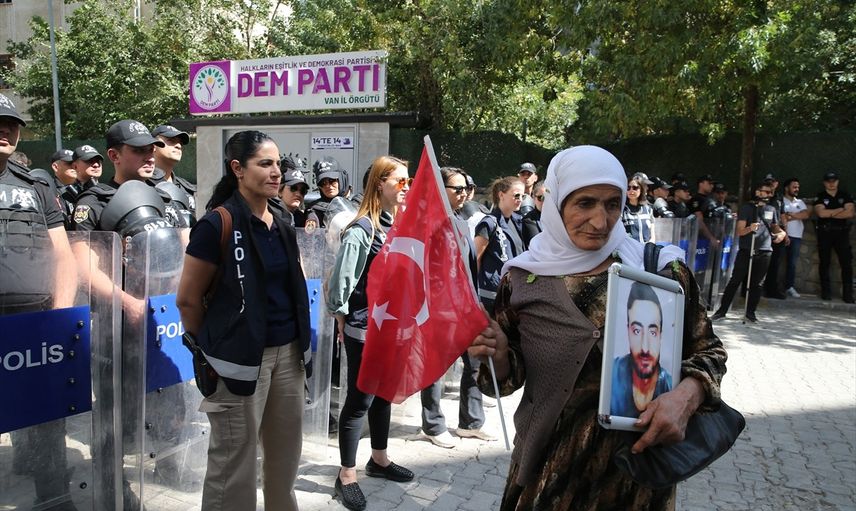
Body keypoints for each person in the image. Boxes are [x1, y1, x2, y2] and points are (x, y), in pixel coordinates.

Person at [467, 145, 727, 511]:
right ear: (557, 203)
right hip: (549, 476)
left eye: (612, 204)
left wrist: (686, 396)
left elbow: (709, 352)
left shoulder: (660, 272)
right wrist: (497, 357)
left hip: (635, 480)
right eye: (585, 203)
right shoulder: (524, 278)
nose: (601, 221)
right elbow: (509, 377)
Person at [176, 130, 311, 511]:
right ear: (237, 168)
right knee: (234, 467)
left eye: (277, 164)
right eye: (264, 164)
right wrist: (215, 351)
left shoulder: (282, 221)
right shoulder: (216, 224)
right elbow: (187, 301)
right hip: (238, 362)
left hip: (289, 356)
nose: (276, 172)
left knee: (284, 461)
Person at [1, 93, 78, 511]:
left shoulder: (36, 186)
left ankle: (54, 497)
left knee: (47, 415)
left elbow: (63, 256)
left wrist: (61, 318)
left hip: (35, 322)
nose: (6, 129)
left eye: (12, 123)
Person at [326, 155, 414, 511]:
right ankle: (347, 474)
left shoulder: (396, 225)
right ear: (380, 183)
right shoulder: (362, 229)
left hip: (391, 328)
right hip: (365, 329)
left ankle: (379, 459)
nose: (406, 187)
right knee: (360, 399)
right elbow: (341, 282)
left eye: (408, 181)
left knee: (383, 395)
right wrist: (341, 315)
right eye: (400, 181)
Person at [420, 167, 495, 449]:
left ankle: (470, 423)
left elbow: (469, 267)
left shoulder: (461, 221)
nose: (465, 194)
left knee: (474, 362)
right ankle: (433, 424)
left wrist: (474, 300)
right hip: (440, 307)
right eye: (458, 189)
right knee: (434, 368)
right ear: (441, 190)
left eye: (467, 188)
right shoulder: (430, 224)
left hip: (466, 306)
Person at [711, 182, 787, 322]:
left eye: (770, 192)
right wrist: (750, 228)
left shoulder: (772, 208)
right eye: (765, 192)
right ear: (758, 192)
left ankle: (751, 313)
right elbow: (740, 231)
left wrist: (782, 234)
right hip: (747, 249)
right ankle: (722, 311)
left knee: (757, 283)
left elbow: (775, 227)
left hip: (765, 250)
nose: (768, 195)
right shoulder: (747, 208)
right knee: (736, 280)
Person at [611, 282, 673, 419]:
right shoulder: (611, 374)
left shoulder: (671, 387)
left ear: (661, 335)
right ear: (628, 331)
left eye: (652, 332)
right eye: (637, 331)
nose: (645, 348)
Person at [474, 176, 526, 315]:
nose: (520, 199)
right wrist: (473, 291)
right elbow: (475, 259)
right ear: (501, 195)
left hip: (513, 292)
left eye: (523, 196)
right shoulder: (489, 223)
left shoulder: (518, 222)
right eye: (516, 195)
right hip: (491, 295)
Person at [813, 171, 854, 303]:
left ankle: (848, 295)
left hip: (842, 233)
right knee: (825, 262)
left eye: (834, 181)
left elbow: (850, 213)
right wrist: (840, 210)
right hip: (825, 232)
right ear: (824, 183)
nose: (831, 184)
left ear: (837, 182)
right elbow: (821, 213)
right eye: (828, 181)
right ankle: (826, 292)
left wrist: (830, 213)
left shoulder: (845, 195)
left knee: (846, 263)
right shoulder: (820, 196)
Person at [151, 124, 197, 213]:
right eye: (171, 140)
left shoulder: (187, 188)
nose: (178, 146)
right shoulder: (143, 184)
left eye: (180, 143)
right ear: (154, 146)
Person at [780, 178, 809, 298]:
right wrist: (797, 215)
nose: (796, 189)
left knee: (792, 263)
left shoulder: (800, 202)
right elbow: (781, 217)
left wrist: (790, 215)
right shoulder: (781, 201)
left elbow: (806, 214)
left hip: (796, 236)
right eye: (794, 187)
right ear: (787, 188)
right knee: (777, 262)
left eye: (798, 187)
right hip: (782, 235)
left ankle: (789, 287)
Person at [762, 174, 787, 299]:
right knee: (760, 263)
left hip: (777, 232)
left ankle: (772, 290)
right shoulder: (761, 196)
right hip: (764, 232)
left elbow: (782, 215)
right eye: (768, 182)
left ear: (776, 183)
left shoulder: (779, 197)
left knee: (775, 264)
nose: (771, 184)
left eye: (772, 182)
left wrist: (785, 233)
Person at [307, 155, 348, 227]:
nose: (328, 186)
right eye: (323, 183)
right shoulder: (314, 210)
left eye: (332, 180)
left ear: (340, 180)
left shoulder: (352, 206)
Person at [690, 174, 721, 249]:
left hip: (714, 236)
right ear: (701, 184)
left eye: (712, 184)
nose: (712, 186)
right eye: (709, 183)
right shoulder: (696, 199)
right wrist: (711, 238)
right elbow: (699, 221)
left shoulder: (711, 199)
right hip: (701, 239)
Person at [277, 156, 310, 228]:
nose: (298, 194)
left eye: (303, 191)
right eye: (293, 188)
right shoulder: (270, 217)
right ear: (279, 191)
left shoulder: (303, 219)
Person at [621, 173, 654, 242]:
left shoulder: (648, 209)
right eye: (628, 188)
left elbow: (652, 236)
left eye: (635, 188)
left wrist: (651, 245)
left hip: (646, 247)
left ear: (641, 190)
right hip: (629, 247)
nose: (631, 191)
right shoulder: (621, 210)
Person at [521, 180, 545, 246]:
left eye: (548, 197)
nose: (545, 201)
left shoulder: (560, 216)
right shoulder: (529, 220)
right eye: (541, 198)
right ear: (533, 198)